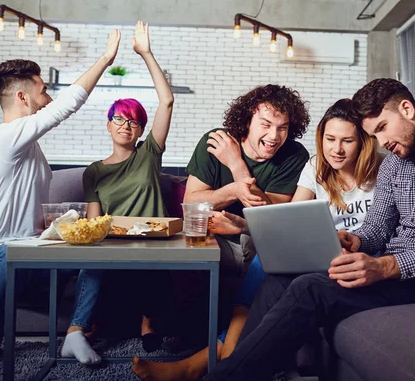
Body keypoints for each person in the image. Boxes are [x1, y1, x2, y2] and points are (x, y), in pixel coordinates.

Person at [198, 78, 415, 380]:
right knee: (279, 277)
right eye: (373, 135)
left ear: (406, 108)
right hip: (394, 268)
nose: (381, 143)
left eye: (381, 128)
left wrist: (386, 265)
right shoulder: (396, 162)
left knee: (311, 288)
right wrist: (355, 241)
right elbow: (377, 228)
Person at [131, 98, 383, 381]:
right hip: (319, 254)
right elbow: (287, 220)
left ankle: (216, 359)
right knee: (270, 258)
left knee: (268, 261)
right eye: (330, 139)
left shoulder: (382, 171)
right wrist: (240, 223)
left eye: (347, 140)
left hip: (357, 259)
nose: (337, 149)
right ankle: (225, 357)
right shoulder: (316, 168)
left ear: (363, 141)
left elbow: (273, 212)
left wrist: (237, 168)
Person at [0, 30, 121, 375]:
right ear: (23, 97)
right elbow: (68, 105)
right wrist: (104, 60)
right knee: (9, 252)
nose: (49, 97)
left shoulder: (28, 146)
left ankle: (74, 332)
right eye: (43, 91)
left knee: (97, 254)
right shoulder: (2, 137)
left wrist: (56, 227)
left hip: (36, 251)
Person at [64, 20, 175, 361]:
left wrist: (146, 53)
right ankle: (80, 329)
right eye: (120, 119)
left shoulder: (149, 153)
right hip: (114, 243)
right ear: (108, 124)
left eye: (134, 121)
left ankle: (147, 324)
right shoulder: (94, 172)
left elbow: (167, 101)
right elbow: (95, 225)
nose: (127, 125)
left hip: (153, 240)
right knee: (93, 262)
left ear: (141, 129)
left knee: (152, 267)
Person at [182, 84, 311, 277]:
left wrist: (236, 165)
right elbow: (191, 204)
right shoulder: (218, 141)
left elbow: (272, 219)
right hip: (216, 239)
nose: (274, 136)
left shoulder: (294, 154)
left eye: (282, 128)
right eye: (265, 125)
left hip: (261, 242)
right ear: (248, 120)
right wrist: (234, 191)